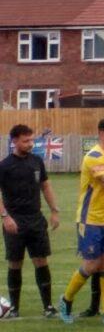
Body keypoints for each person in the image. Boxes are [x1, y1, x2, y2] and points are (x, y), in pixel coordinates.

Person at [56, 118, 104, 325]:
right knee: (91, 264)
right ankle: (66, 299)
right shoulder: (94, 156)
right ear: (102, 134)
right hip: (90, 220)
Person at [0, 124, 60, 319]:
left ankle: (48, 306)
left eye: (31, 140)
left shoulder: (36, 161)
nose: (30, 144)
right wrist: (5, 217)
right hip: (14, 221)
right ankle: (14, 308)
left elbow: (46, 186)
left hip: (35, 219)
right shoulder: (4, 165)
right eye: (26, 141)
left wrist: (54, 210)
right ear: (14, 141)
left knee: (41, 260)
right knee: (15, 263)